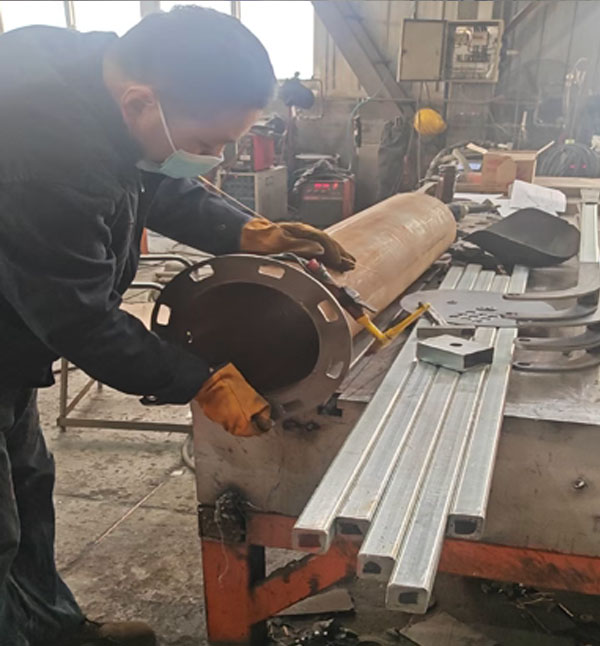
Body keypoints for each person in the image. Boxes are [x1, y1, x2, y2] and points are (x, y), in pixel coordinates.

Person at [0, 7, 355, 645]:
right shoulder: (41, 153)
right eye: (207, 144)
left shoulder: (100, 83)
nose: (215, 160)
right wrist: (198, 380)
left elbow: (143, 178)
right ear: (141, 102)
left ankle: (53, 632)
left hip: (10, 333)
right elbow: (80, 320)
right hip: (18, 316)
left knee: (28, 485)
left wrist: (243, 231)